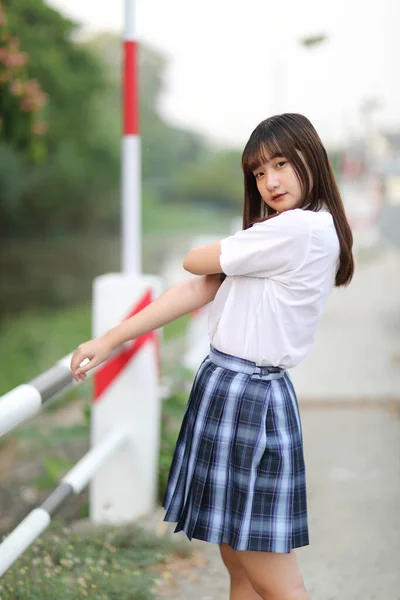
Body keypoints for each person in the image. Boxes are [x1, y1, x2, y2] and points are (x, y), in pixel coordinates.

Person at [70, 113, 354, 600]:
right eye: (259, 173)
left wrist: (231, 245)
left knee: (273, 576)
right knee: (237, 559)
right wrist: (111, 339)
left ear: (313, 158)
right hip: (230, 387)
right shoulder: (280, 234)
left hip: (248, 395)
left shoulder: (299, 230)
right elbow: (197, 287)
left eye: (281, 164)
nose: (270, 181)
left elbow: (195, 260)